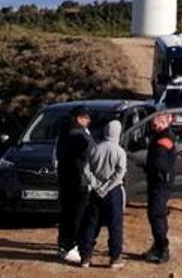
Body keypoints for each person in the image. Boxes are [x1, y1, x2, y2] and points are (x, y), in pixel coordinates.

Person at [79, 119, 127, 269]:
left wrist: (96, 185)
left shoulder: (94, 148)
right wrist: (106, 187)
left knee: (91, 223)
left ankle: (85, 258)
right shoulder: (119, 151)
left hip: (95, 192)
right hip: (113, 192)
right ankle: (114, 258)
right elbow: (120, 174)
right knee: (115, 225)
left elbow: (86, 170)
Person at [55, 106, 95, 263]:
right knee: (77, 216)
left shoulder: (63, 133)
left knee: (66, 214)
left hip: (65, 179)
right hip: (78, 181)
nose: (89, 121)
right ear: (79, 118)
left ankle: (64, 244)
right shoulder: (78, 135)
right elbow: (90, 153)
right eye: (87, 118)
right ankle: (72, 247)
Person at [143, 112, 177, 264]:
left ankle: (162, 249)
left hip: (160, 183)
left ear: (164, 123)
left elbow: (160, 164)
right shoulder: (162, 136)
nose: (154, 128)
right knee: (156, 214)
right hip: (160, 182)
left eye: (156, 125)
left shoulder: (163, 139)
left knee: (156, 215)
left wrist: (149, 168)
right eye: (153, 125)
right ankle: (158, 245)